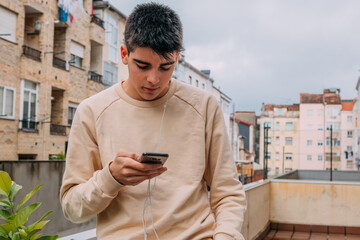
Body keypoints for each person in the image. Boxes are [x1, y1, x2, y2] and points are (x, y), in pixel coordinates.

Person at [60, 3, 246, 240]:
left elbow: (228, 193)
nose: (154, 79)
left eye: (166, 67)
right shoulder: (91, 111)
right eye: (143, 65)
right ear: (125, 54)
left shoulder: (204, 106)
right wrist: (111, 178)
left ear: (177, 59)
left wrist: (226, 236)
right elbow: (71, 208)